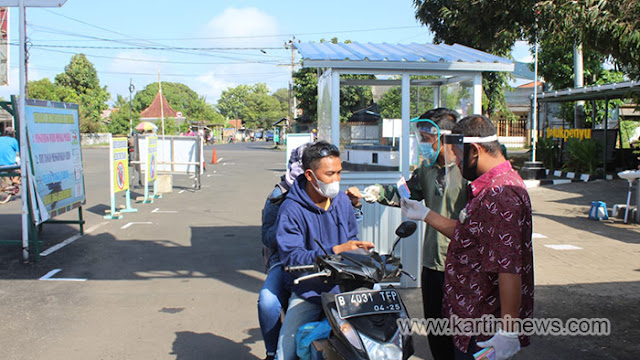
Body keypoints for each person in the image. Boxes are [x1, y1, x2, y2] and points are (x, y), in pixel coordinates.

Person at [401, 115, 534, 360]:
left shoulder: (500, 194)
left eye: (459, 156)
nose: (458, 164)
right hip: (470, 320)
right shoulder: (489, 187)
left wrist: (508, 331)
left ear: (474, 150)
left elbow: (509, 269)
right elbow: (469, 236)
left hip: (483, 325)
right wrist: (426, 214)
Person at [360, 108, 466, 360]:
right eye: (421, 138)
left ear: (446, 136)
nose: (423, 144)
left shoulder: (468, 170)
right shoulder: (427, 169)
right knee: (437, 331)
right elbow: (407, 194)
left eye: (427, 138)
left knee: (463, 333)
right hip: (432, 262)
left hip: (464, 265)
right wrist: (376, 193)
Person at [275, 141, 374, 360]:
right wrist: (336, 250)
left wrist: (358, 250)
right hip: (309, 291)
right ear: (310, 175)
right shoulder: (290, 210)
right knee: (285, 352)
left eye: (339, 172)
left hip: (344, 290)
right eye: (329, 174)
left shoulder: (342, 202)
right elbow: (292, 259)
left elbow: (351, 238)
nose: (336, 180)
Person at [259, 144, 308, 360]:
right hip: (285, 259)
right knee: (267, 301)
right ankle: (271, 351)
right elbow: (267, 237)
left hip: (318, 259)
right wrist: (286, 227)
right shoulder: (279, 194)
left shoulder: (325, 190)